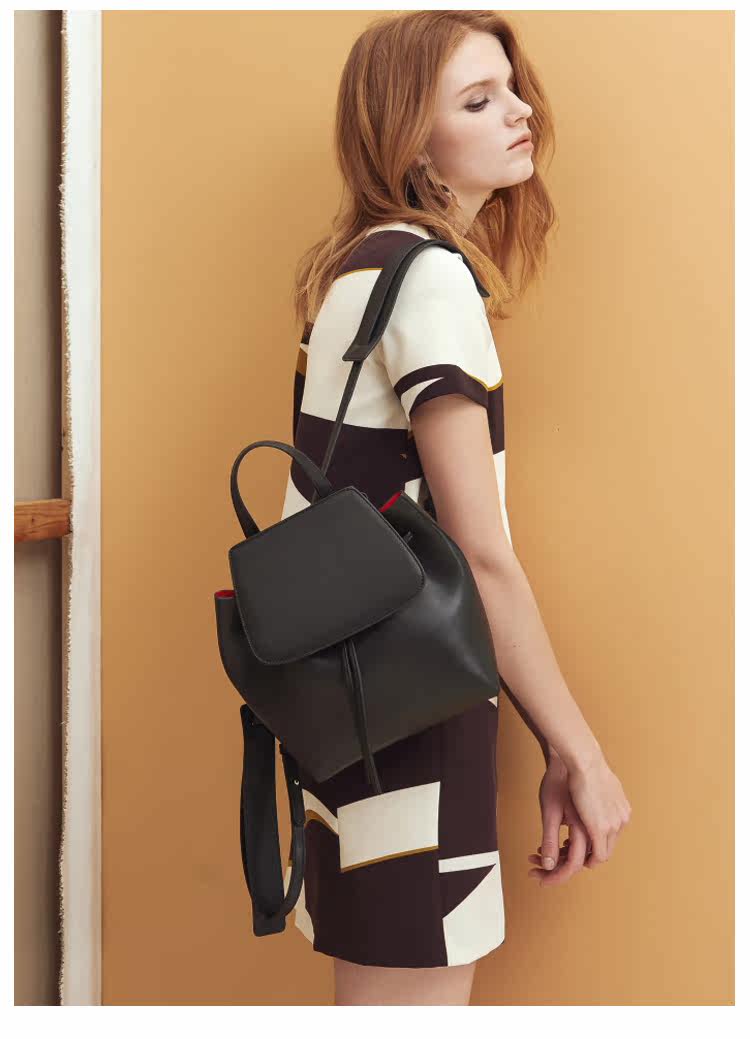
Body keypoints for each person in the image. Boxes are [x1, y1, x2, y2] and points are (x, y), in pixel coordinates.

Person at [280, 10, 631, 1006]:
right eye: (479, 101)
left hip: (347, 706)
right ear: (409, 142)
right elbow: (479, 554)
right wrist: (578, 750)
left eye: (511, 88)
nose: (521, 112)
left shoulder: (358, 268)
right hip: (416, 712)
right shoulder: (431, 279)